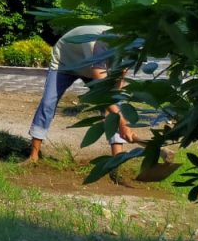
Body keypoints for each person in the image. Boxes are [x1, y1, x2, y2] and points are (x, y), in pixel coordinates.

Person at [28, 24, 134, 163]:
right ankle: (33, 157)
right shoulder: (102, 44)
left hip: (91, 65)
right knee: (48, 102)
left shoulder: (130, 47)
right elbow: (103, 93)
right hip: (65, 61)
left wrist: (115, 107)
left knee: (115, 104)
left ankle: (116, 162)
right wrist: (123, 124)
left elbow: (119, 78)